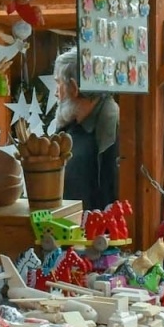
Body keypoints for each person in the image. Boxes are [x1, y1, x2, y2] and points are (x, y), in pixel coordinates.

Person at [51, 48, 119, 211]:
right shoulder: (71, 126)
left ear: (73, 88)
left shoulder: (112, 128)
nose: (56, 93)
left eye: (58, 83)